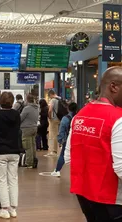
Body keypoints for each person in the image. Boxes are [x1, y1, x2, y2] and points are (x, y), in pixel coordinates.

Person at [65, 66, 122, 221]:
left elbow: (69, 157)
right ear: (114, 87)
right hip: (113, 200)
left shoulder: (80, 116)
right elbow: (121, 167)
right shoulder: (118, 119)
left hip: (84, 195)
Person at [51, 102, 77, 177]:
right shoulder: (78, 117)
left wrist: (60, 140)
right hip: (77, 139)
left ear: (68, 109)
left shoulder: (65, 118)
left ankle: (57, 170)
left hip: (68, 139)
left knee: (62, 155)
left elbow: (62, 130)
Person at [20, 94, 39, 169]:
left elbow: (20, 118)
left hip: (26, 129)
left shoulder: (27, 108)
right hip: (34, 127)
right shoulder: (36, 107)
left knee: (27, 146)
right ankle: (34, 160)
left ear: (27, 100)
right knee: (33, 145)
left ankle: (29, 163)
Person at [47, 90, 61, 156]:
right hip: (60, 118)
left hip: (54, 119)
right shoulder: (60, 98)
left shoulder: (53, 100)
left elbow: (50, 110)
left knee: (54, 134)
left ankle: (54, 151)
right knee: (58, 133)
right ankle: (60, 147)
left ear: (51, 94)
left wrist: (49, 117)